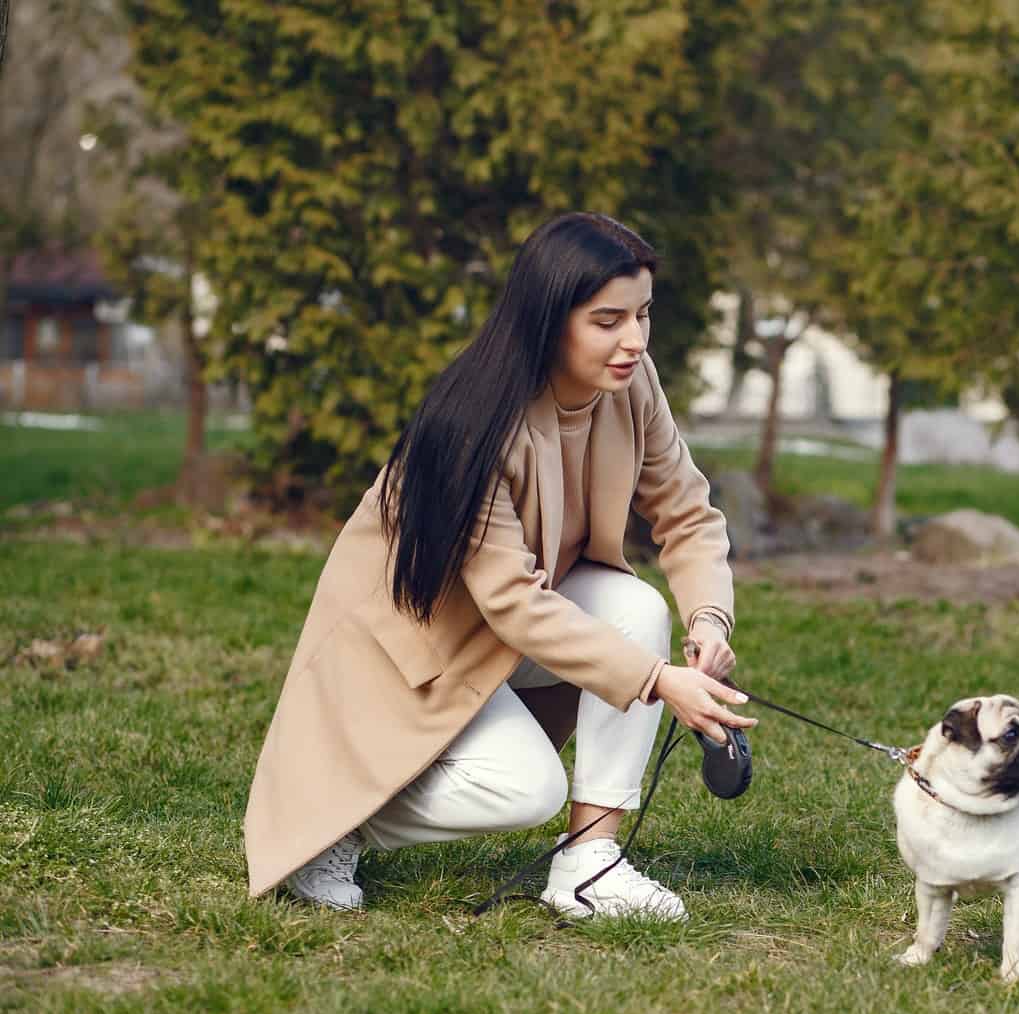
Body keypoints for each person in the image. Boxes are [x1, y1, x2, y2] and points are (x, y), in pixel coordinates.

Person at [243, 213, 755, 920]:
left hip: (510, 630)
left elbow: (687, 512)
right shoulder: (473, 425)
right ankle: (332, 822)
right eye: (607, 320)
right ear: (550, 319)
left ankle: (590, 863)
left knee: (638, 609)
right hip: (421, 643)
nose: (634, 341)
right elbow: (512, 599)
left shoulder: (631, 384)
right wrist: (657, 681)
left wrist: (707, 618)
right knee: (525, 790)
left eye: (643, 315)